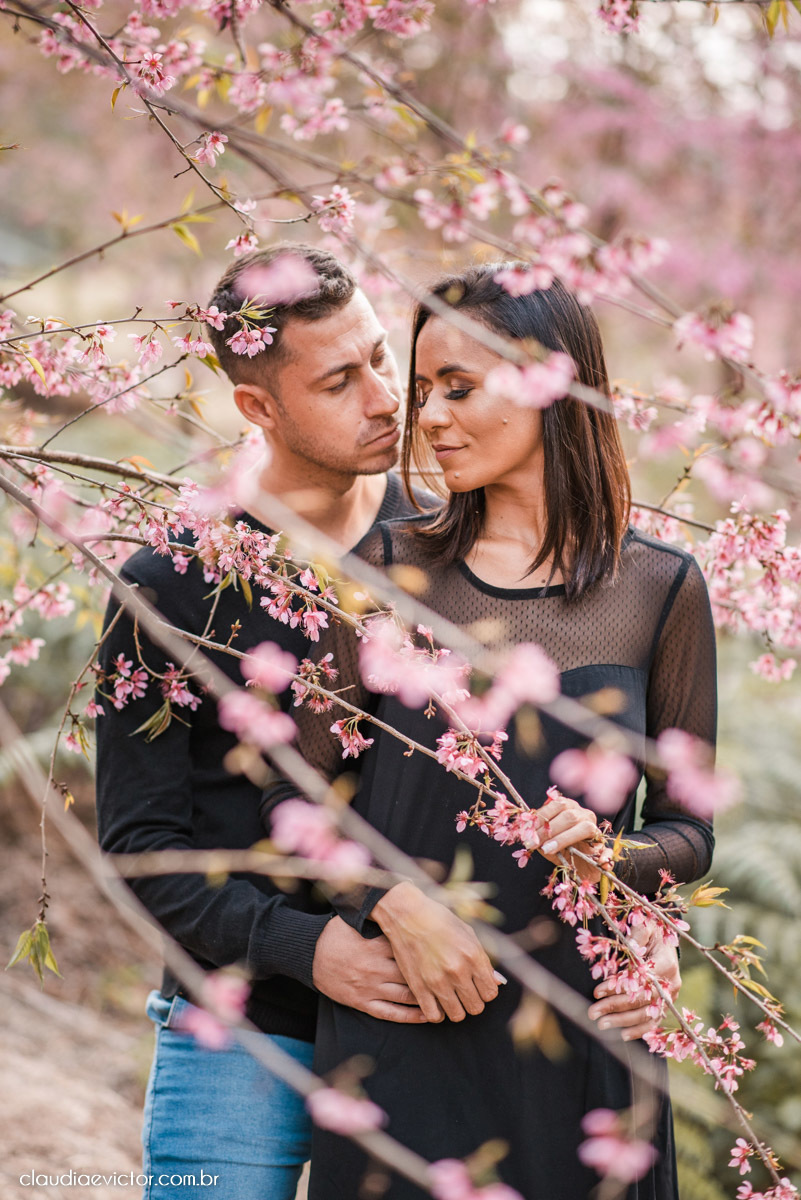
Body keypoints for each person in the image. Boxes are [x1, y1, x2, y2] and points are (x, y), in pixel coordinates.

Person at [263, 266, 715, 1199]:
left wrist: (614, 856)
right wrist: (382, 901)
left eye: (457, 388)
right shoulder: (386, 570)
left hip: (587, 1040)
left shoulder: (659, 589)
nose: (426, 416)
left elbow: (689, 833)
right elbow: (288, 789)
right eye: (424, 389)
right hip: (405, 1035)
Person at [95, 243, 437, 1200]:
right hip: (238, 1018)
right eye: (340, 380)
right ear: (258, 407)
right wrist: (307, 948)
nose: (384, 398)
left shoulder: (448, 546)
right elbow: (139, 847)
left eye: (380, 357)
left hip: (429, 1018)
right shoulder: (169, 584)